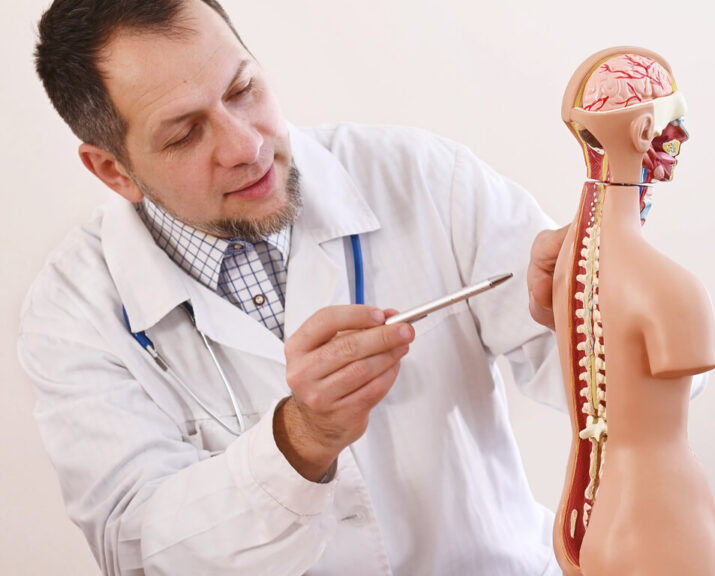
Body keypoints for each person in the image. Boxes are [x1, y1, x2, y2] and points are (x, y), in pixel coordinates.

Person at [19, 0, 571, 574]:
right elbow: (137, 552)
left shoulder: (421, 178)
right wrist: (300, 439)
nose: (246, 147)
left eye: (242, 91)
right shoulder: (72, 316)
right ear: (114, 170)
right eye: (185, 133)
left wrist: (597, 309)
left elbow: (617, 394)